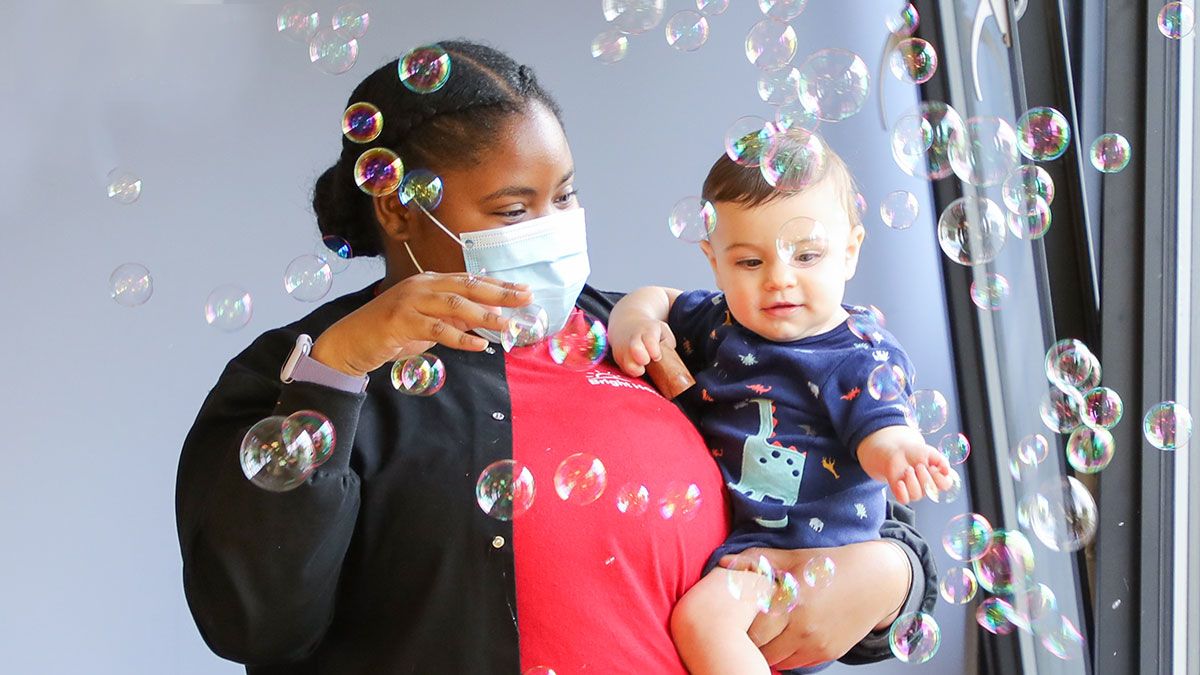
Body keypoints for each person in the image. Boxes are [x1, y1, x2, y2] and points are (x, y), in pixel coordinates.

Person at [175, 40, 938, 674]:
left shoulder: (650, 339)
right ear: (400, 204)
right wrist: (339, 367)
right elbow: (252, 621)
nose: (551, 227)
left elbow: (835, 485)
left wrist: (893, 576)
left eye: (564, 196)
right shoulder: (300, 373)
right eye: (514, 208)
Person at [608, 131, 954, 675]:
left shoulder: (857, 354)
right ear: (715, 262)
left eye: (807, 255)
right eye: (749, 263)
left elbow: (880, 425)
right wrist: (635, 321)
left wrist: (901, 452)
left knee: (703, 622)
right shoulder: (719, 322)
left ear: (850, 251)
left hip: (821, 564)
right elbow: (658, 297)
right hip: (749, 547)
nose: (779, 280)